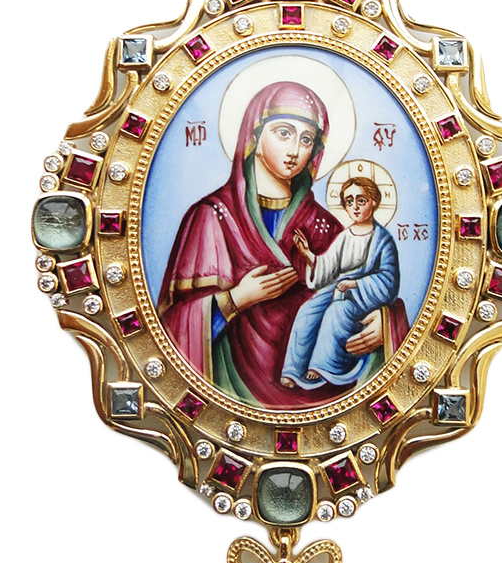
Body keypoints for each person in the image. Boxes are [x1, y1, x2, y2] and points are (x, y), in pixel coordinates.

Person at [157, 80, 408, 409]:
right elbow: (170, 328)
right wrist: (235, 300)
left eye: (306, 139)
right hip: (233, 394)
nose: (294, 150)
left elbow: (363, 287)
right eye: (283, 133)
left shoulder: (326, 225)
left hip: (327, 393)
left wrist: (385, 324)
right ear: (254, 136)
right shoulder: (211, 217)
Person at [281, 178, 400, 390]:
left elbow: (388, 279)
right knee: (308, 310)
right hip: (337, 288)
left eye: (361, 200)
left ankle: (323, 366)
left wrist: (356, 284)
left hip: (363, 297)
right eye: (349, 201)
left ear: (373, 202)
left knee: (337, 312)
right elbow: (329, 265)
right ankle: (293, 369)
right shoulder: (345, 236)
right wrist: (308, 254)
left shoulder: (383, 240)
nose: (355, 207)